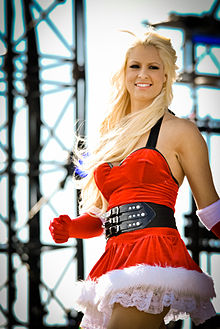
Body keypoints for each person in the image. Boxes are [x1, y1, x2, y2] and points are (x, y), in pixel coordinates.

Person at [49, 29, 220, 329]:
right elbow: (101, 216)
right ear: (123, 73)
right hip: (115, 259)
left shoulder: (181, 131)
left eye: (154, 67)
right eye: (135, 66)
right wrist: (71, 227)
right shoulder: (110, 137)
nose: (144, 74)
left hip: (156, 256)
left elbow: (210, 210)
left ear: (167, 76)